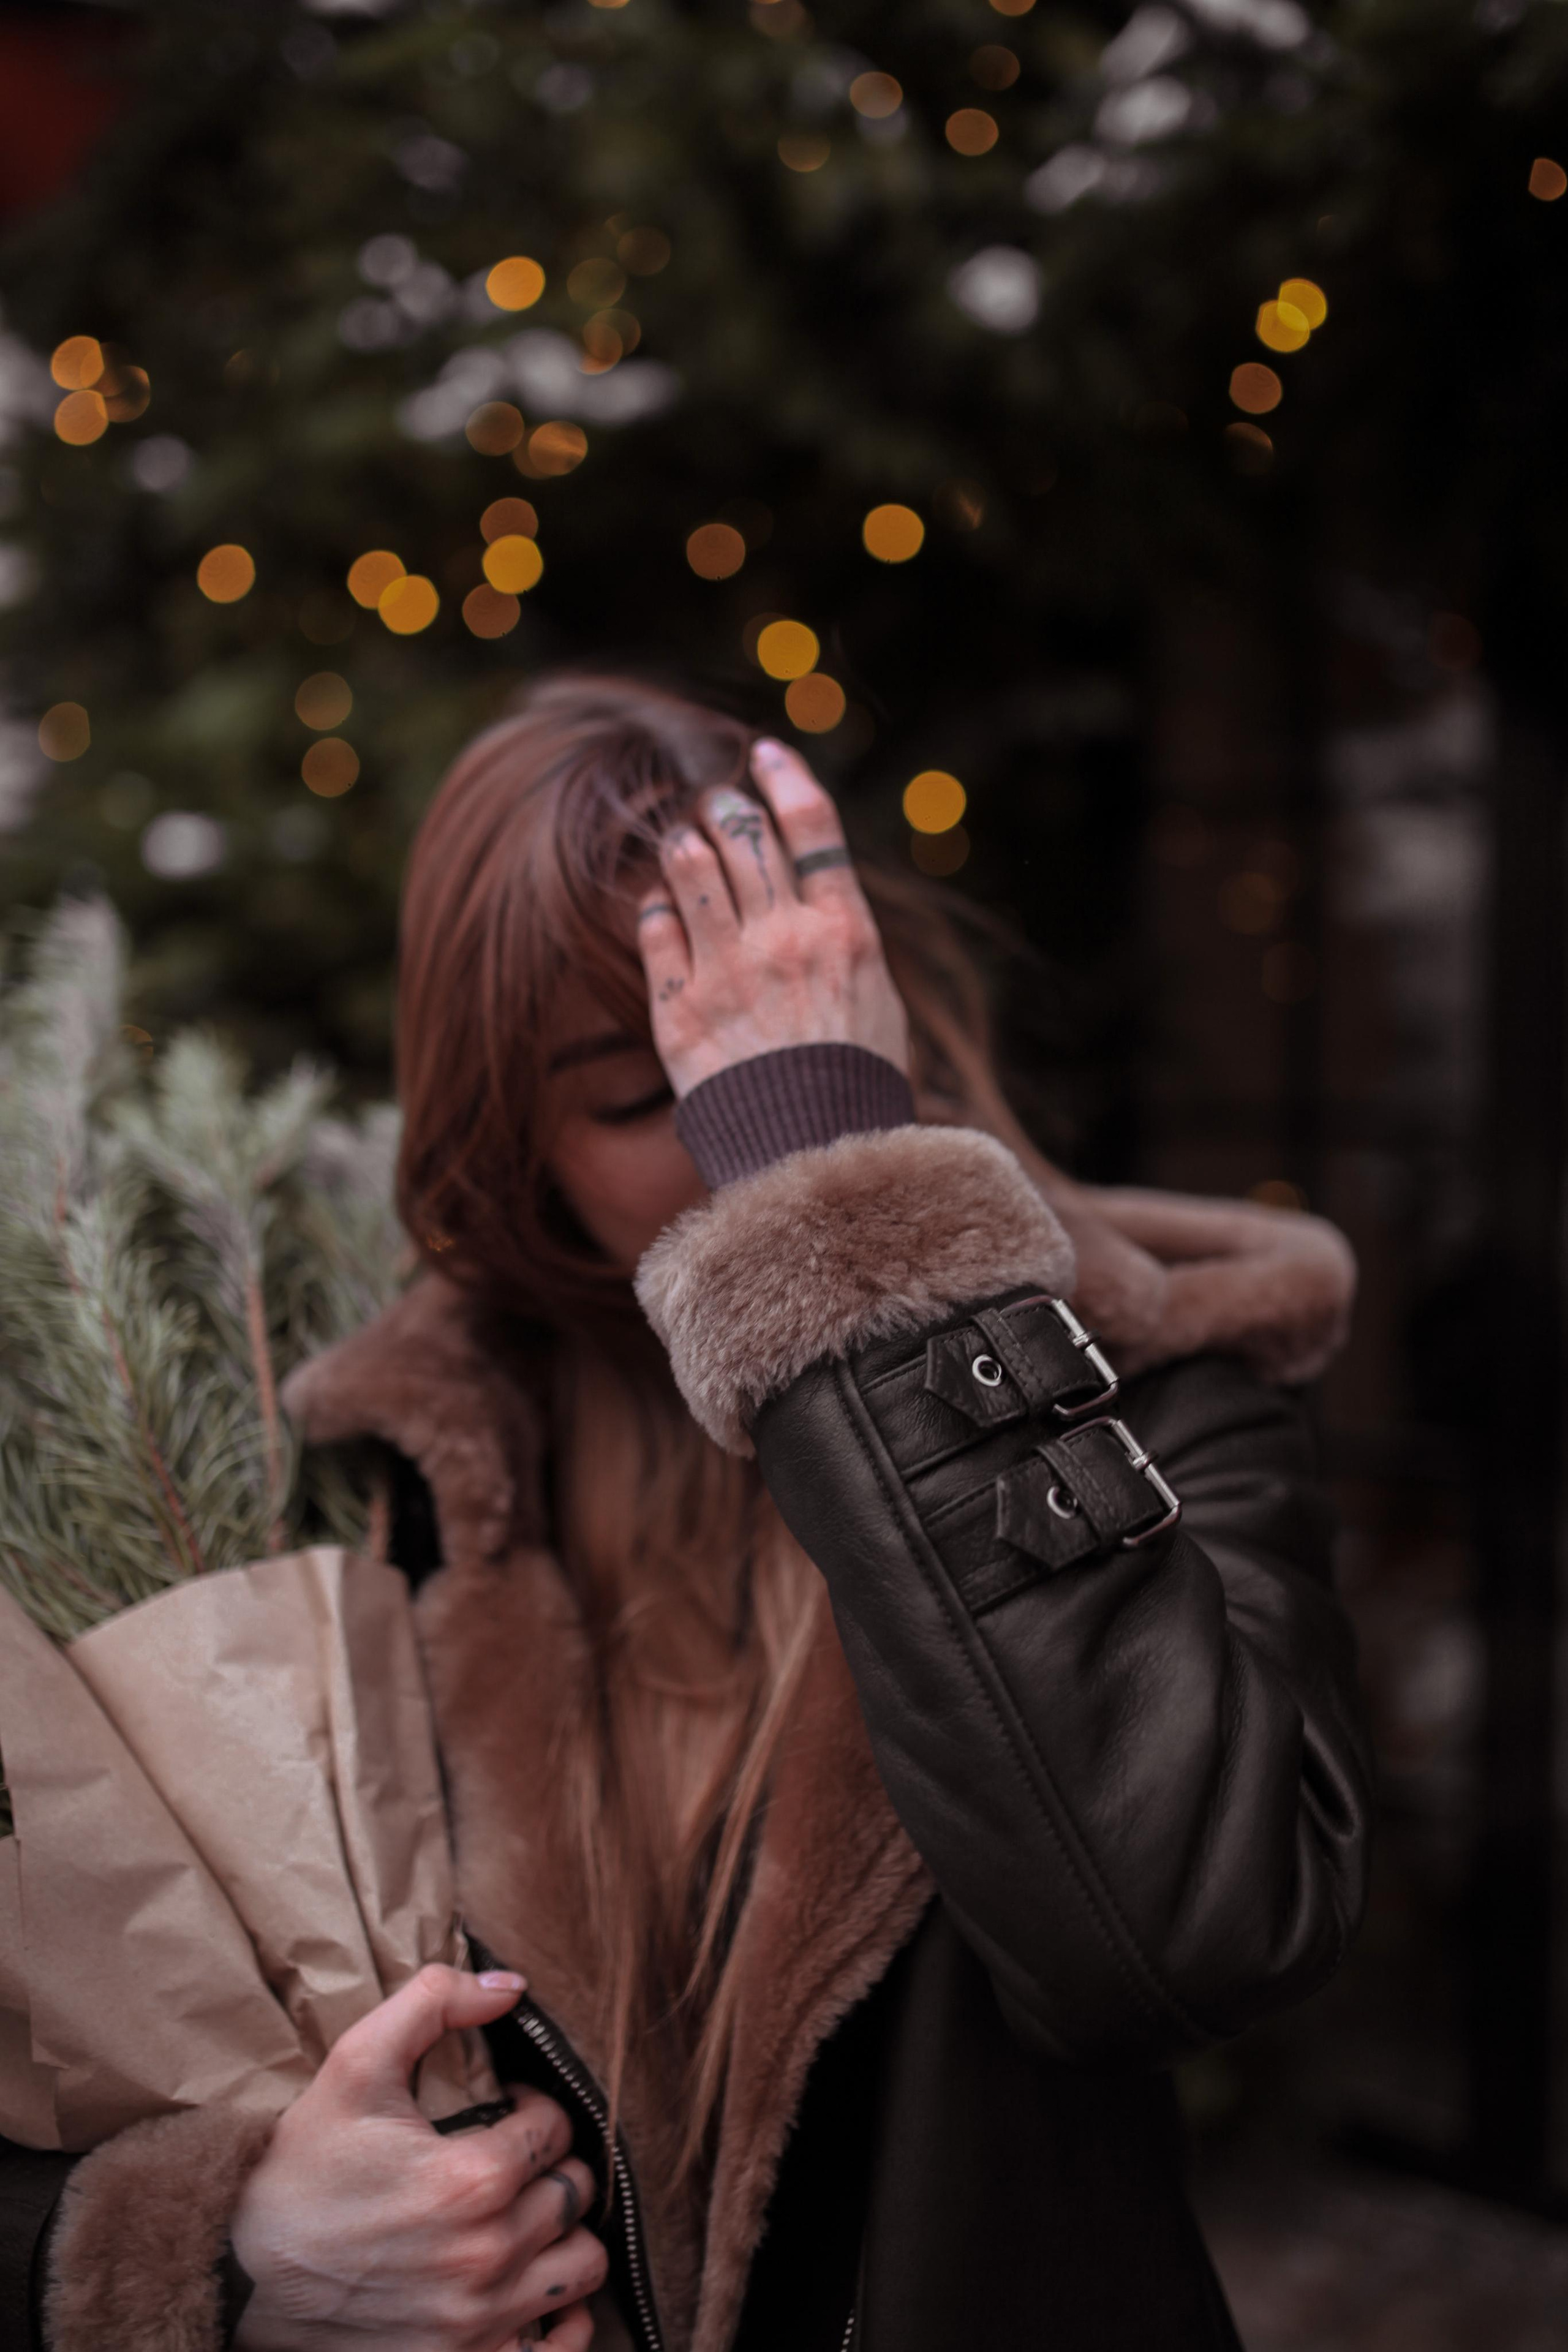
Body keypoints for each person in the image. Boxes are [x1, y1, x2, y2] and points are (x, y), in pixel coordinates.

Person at [3, 674, 1370, 2352]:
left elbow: (1187, 1938)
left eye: (769, 1059)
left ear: (865, 1014)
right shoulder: (342, 1479)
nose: (739, 1142)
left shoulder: (1150, 1390)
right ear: (514, 1145)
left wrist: (848, 1243)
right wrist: (236, 2249)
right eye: (650, 1094)